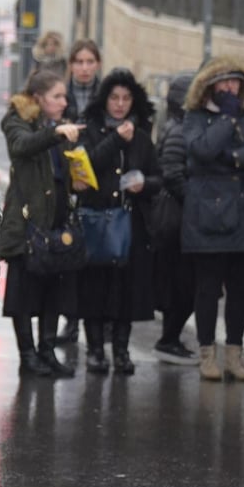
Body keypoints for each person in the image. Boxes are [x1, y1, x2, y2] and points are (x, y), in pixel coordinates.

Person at [181, 56, 244, 382]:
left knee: (239, 289)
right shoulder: (196, 117)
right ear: (210, 85)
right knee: (208, 289)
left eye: (235, 81)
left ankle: (234, 355)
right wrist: (226, 118)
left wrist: (235, 158)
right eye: (223, 82)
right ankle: (207, 353)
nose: (230, 88)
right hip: (208, 218)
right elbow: (203, 151)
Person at [76, 68, 160, 375]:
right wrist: (114, 139)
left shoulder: (141, 137)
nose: (120, 104)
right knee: (94, 290)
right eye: (114, 98)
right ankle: (95, 351)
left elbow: (158, 176)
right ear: (105, 100)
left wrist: (144, 184)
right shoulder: (92, 130)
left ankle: (122, 352)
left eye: (126, 98)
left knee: (126, 293)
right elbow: (85, 168)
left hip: (130, 224)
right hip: (97, 221)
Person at [0, 70, 82, 376]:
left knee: (54, 289)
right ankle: (27, 354)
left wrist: (81, 180)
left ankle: (47, 350)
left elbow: (66, 167)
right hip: (28, 220)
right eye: (57, 96)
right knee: (23, 292)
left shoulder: (61, 125)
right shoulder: (17, 120)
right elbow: (22, 146)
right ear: (38, 98)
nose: (64, 101)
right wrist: (56, 133)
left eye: (64, 96)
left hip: (57, 217)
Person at [54, 38, 102, 347]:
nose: (84, 68)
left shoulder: (106, 96)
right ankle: (70, 322)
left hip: (99, 184)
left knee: (99, 258)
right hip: (68, 184)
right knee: (70, 258)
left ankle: (100, 323)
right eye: (79, 62)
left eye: (89, 62)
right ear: (71, 65)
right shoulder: (63, 98)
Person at [151, 73, 197, 365]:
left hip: (177, 218)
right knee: (183, 286)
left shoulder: (180, 127)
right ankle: (169, 338)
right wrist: (198, 202)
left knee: (182, 285)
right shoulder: (180, 130)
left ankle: (171, 337)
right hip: (177, 220)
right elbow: (172, 173)